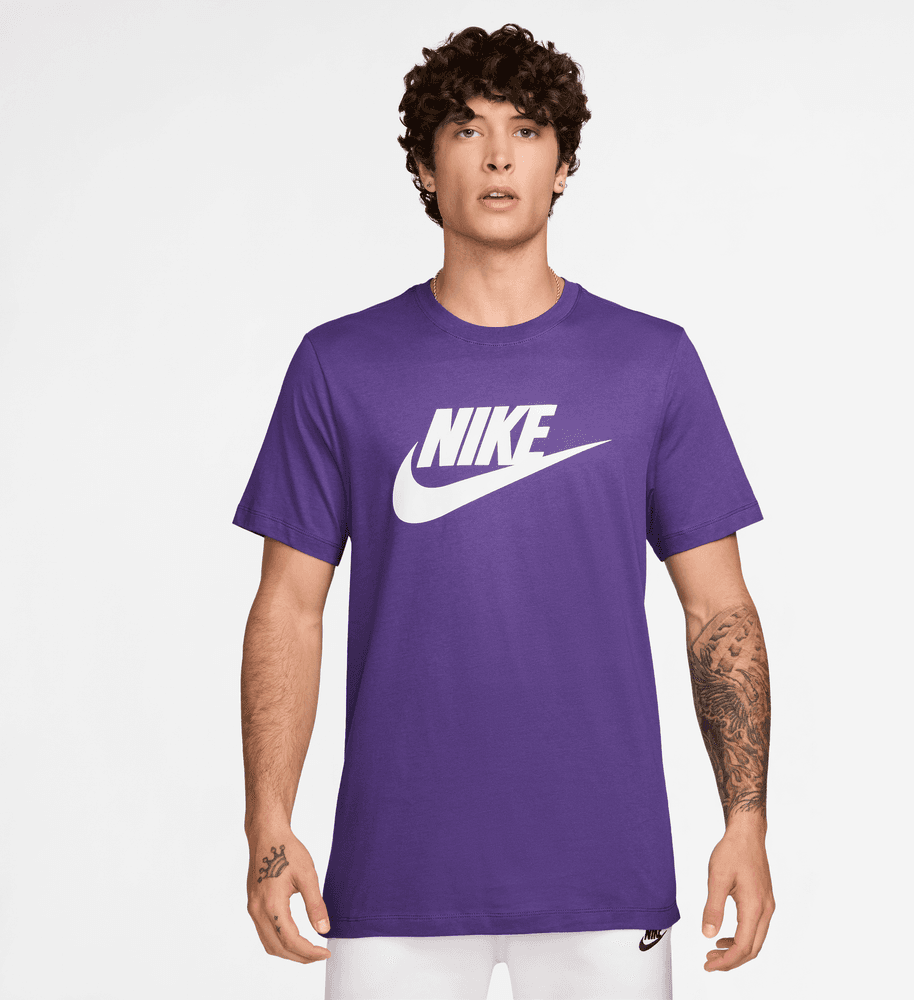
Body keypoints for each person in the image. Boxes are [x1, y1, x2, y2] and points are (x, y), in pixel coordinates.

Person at [234, 22, 774, 1000]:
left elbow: (718, 611)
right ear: (423, 166)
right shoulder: (339, 365)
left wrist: (746, 821)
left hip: (603, 874)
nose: (496, 156)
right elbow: (288, 609)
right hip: (394, 877)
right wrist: (267, 825)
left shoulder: (650, 363)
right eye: (465, 129)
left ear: (561, 166)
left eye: (525, 130)